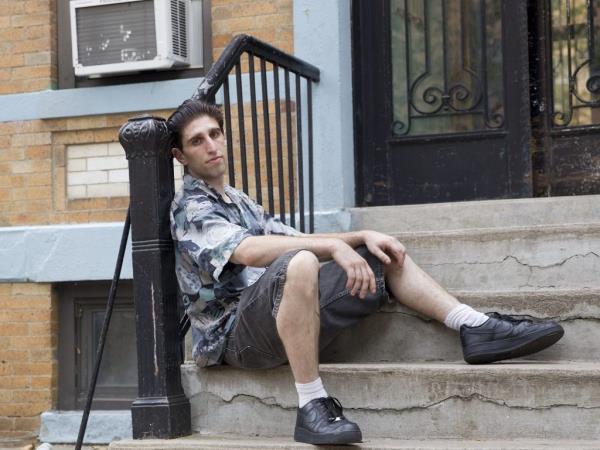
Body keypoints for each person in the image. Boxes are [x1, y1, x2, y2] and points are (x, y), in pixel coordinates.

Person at [167, 99, 564, 445]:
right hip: (234, 338)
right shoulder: (190, 206)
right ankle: (311, 404)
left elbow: (292, 235)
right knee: (302, 260)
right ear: (180, 156)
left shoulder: (235, 198)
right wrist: (332, 248)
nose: (212, 145)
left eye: (215, 134)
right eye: (197, 140)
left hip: (273, 318)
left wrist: (360, 235)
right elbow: (250, 251)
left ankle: (474, 327)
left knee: (378, 252)